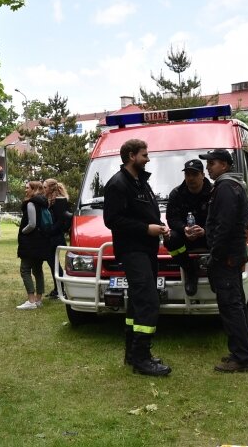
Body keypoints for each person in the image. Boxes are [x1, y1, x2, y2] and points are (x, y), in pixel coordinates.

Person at [103, 139, 172, 376]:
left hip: (147, 249)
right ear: (131, 156)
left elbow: (146, 212)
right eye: (144, 155)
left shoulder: (140, 181)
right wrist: (146, 229)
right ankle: (143, 359)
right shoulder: (118, 184)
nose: (148, 158)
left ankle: (132, 354)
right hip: (133, 250)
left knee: (136, 301)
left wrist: (160, 226)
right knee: (148, 301)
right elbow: (112, 220)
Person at [199, 148, 248, 373]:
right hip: (230, 255)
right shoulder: (229, 186)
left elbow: (224, 226)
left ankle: (242, 358)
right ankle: (240, 352)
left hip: (227, 258)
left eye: (211, 163)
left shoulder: (225, 188)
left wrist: (216, 255)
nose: (208, 168)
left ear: (224, 164)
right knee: (235, 306)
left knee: (231, 307)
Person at [164, 159, 212, 296]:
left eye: (194, 174)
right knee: (170, 238)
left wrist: (205, 231)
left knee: (221, 235)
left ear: (203, 175)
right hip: (186, 236)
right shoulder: (176, 193)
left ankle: (214, 272)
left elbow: (221, 219)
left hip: (208, 235)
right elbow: (171, 219)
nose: (190, 178)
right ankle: (189, 270)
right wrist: (184, 229)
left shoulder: (214, 191)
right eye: (187, 174)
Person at [15, 181, 50, 310]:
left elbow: (32, 224)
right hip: (41, 241)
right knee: (37, 270)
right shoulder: (43, 202)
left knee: (25, 269)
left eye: (27, 188)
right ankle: (38, 299)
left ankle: (31, 301)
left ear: (34, 189)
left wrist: (23, 231)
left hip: (31, 242)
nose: (25, 190)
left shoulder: (31, 203)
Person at [43, 179, 71, 299]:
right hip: (54, 236)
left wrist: (51, 230)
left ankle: (60, 290)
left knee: (54, 264)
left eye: (45, 187)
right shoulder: (53, 200)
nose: (43, 189)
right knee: (53, 264)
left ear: (51, 188)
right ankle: (58, 289)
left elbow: (61, 220)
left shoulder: (57, 202)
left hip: (54, 237)